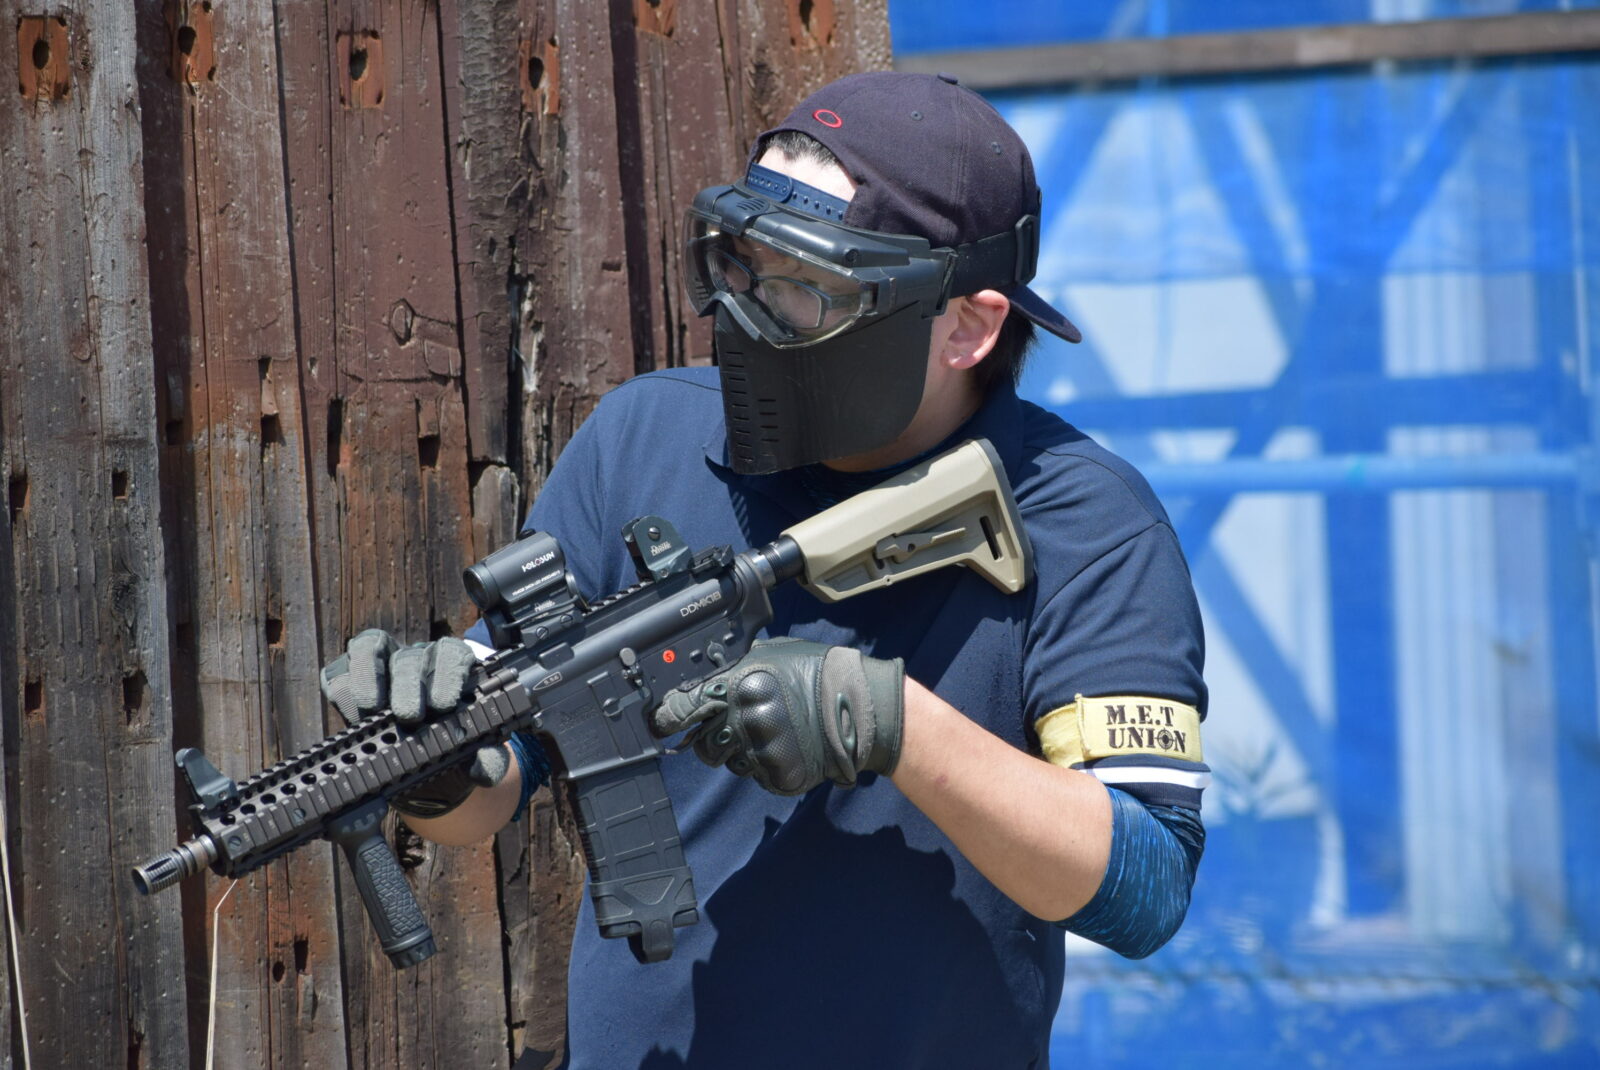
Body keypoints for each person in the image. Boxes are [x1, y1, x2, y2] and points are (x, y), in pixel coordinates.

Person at [319, 72, 1208, 1069]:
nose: (748, 317)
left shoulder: (1084, 519)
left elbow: (1142, 886)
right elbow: (500, 778)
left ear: (967, 324)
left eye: (806, 291)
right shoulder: (643, 438)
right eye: (738, 265)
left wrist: (888, 720)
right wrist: (437, 759)